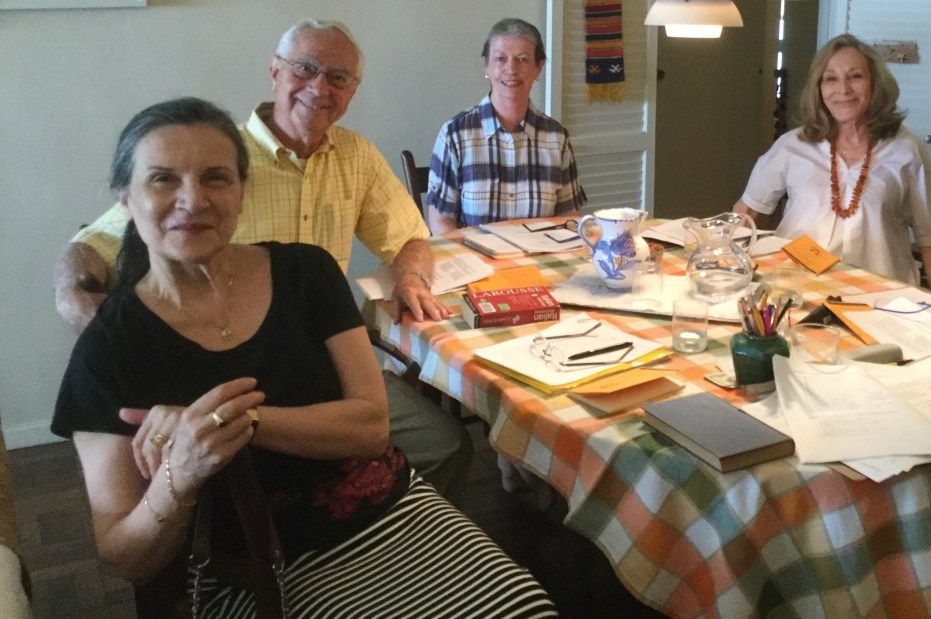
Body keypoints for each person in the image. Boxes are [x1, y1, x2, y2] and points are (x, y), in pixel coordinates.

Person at [50, 98, 556, 617]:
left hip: (391, 507)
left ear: (242, 193)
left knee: (530, 606)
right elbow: (127, 558)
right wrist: (178, 476)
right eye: (163, 179)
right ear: (126, 200)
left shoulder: (306, 272)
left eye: (216, 178)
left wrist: (234, 421)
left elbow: (370, 428)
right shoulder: (108, 350)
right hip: (253, 568)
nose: (193, 199)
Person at [51, 20, 472, 503]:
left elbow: (411, 237)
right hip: (231, 372)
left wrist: (411, 276)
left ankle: (386, 521)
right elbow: (95, 243)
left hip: (327, 361)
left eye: (338, 77)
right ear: (274, 72)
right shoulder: (216, 160)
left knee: (446, 447)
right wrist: (77, 299)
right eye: (304, 69)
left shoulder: (355, 156)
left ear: (352, 90)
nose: (319, 88)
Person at [733, 34, 931, 290]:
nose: (843, 89)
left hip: (879, 295)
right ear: (819, 88)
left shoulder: (906, 149)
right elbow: (745, 213)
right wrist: (729, 274)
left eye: (855, 76)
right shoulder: (792, 145)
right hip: (796, 290)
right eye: (831, 79)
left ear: (875, 83)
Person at [425, 18, 586, 234]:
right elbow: (441, 222)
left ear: (539, 67)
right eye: (500, 59)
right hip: (474, 255)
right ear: (486, 65)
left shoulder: (557, 138)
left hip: (540, 254)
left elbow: (570, 219)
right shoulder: (455, 134)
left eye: (522, 59)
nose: (511, 69)